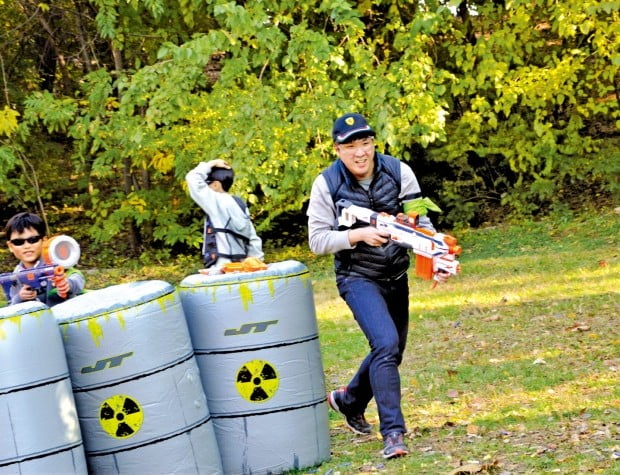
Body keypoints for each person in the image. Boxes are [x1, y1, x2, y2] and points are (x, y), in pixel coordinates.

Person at [307, 113, 450, 459]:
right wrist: (356, 235)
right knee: (385, 344)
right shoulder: (325, 184)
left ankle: (348, 400)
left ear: (374, 143)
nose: (360, 153)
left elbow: (422, 223)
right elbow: (316, 240)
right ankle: (393, 434)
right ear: (338, 149)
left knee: (392, 351)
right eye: (351, 146)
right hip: (357, 278)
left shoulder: (399, 171)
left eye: (365, 143)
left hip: (396, 276)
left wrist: (436, 258)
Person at [186, 159, 263, 270]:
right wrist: (256, 261)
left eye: (208, 184)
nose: (206, 188)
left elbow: (192, 178)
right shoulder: (240, 204)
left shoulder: (214, 200)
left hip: (222, 267)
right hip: (241, 266)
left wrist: (212, 163)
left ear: (216, 185)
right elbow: (252, 238)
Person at [4, 212, 85, 307]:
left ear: (44, 241)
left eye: (33, 240)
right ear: (10, 246)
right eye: (18, 242)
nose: (27, 246)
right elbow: (11, 307)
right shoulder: (15, 276)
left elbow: (77, 277)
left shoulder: (54, 262)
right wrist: (20, 298)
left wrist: (68, 284)